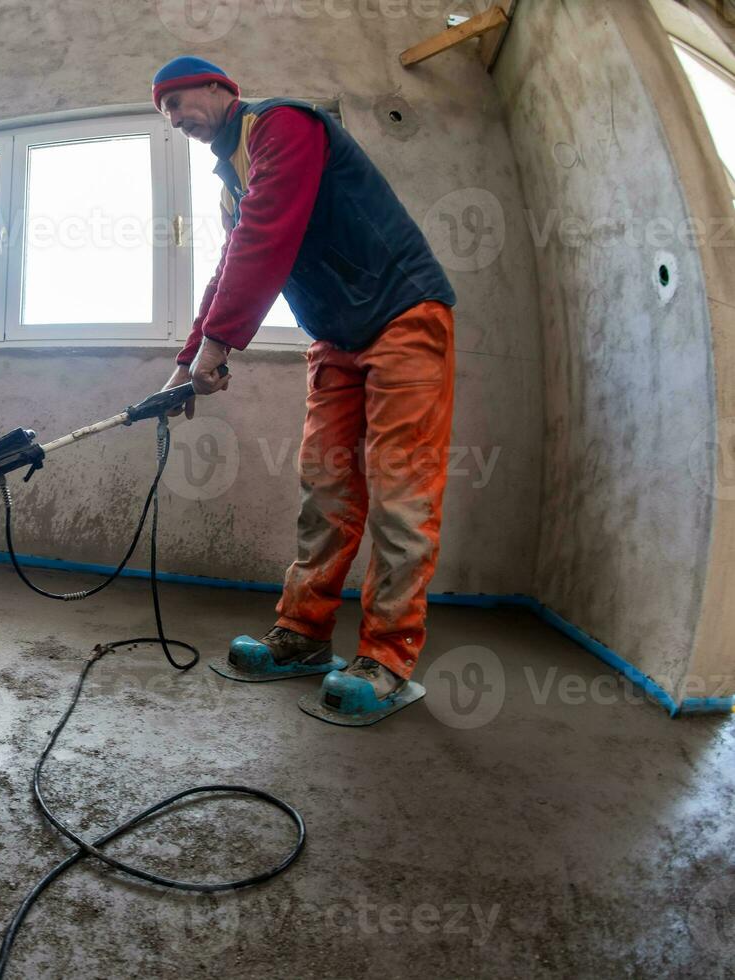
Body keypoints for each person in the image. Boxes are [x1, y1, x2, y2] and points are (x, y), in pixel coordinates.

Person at [153, 55, 457, 722]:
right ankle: (303, 636)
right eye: (164, 113)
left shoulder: (281, 124)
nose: (174, 119)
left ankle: (386, 659)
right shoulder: (230, 182)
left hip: (403, 312)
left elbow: (268, 237)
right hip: (334, 337)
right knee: (325, 489)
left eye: (178, 101)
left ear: (218, 87)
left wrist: (218, 345)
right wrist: (183, 369)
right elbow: (230, 265)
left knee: (401, 495)